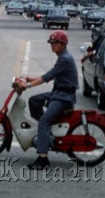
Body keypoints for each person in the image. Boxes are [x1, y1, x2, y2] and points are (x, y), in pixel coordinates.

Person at [16, 30, 78, 169]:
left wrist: (29, 84)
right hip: (58, 93)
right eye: (51, 43)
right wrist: (31, 79)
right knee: (34, 101)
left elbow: (48, 77)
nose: (52, 46)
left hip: (63, 98)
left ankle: (43, 159)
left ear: (63, 44)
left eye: (56, 43)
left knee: (43, 122)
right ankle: (45, 135)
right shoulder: (62, 56)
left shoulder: (64, 58)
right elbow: (51, 73)